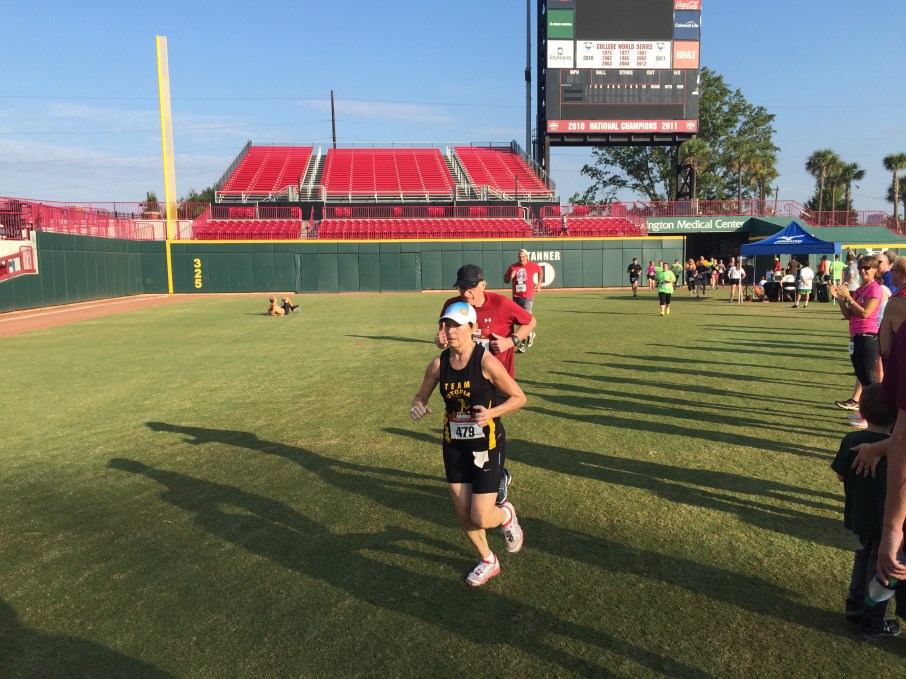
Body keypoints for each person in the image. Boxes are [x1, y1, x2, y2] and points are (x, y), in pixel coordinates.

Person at [411, 301, 527, 587]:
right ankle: (488, 559)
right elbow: (420, 396)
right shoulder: (439, 364)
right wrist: (418, 406)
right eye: (446, 325)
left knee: (482, 516)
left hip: (487, 444)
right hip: (454, 445)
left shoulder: (486, 362)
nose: (450, 331)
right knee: (463, 513)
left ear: (473, 328)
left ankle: (506, 515)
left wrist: (492, 413)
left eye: (457, 326)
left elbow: (519, 398)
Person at [438, 264, 536, 505]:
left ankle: (496, 474)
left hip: (497, 380)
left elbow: (530, 322)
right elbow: (442, 336)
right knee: (471, 423)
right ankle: (488, 473)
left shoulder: (501, 304)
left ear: (483, 284)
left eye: (470, 287)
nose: (466, 293)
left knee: (488, 421)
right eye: (461, 288)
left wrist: (511, 340)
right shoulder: (453, 305)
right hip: (467, 380)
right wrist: (440, 341)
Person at [830, 383, 902, 641]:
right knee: (882, 565)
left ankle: (855, 604)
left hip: (859, 514)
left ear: (861, 411)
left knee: (864, 555)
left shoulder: (851, 440)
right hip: (888, 520)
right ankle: (873, 622)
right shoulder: (896, 447)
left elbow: (841, 475)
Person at [833, 256, 884, 411]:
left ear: (875, 270)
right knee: (861, 376)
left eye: (867, 268)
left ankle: (873, 414)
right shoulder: (859, 290)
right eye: (860, 267)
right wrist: (840, 299)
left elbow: (865, 313)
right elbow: (849, 315)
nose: (862, 271)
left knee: (869, 379)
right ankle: (864, 412)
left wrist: (848, 298)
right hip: (856, 336)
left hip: (868, 335)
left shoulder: (875, 288)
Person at [503, 249, 542, 352]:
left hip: (527, 296)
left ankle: (522, 345)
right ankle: (530, 333)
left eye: (523, 256)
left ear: (527, 257)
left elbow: (540, 271)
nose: (521, 258)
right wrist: (510, 277)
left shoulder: (532, 266)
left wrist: (539, 284)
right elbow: (505, 280)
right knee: (518, 319)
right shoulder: (513, 267)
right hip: (516, 296)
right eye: (519, 257)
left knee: (525, 320)